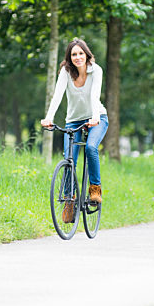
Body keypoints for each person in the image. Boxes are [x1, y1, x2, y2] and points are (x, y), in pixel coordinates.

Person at [41, 38, 108, 223]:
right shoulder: (66, 71)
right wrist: (49, 117)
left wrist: (94, 117)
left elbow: (95, 96)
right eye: (73, 54)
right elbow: (57, 95)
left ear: (87, 54)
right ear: (69, 57)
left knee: (91, 148)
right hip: (73, 120)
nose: (77, 57)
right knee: (69, 158)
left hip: (97, 118)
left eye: (80, 53)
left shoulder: (96, 70)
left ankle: (95, 188)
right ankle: (69, 200)